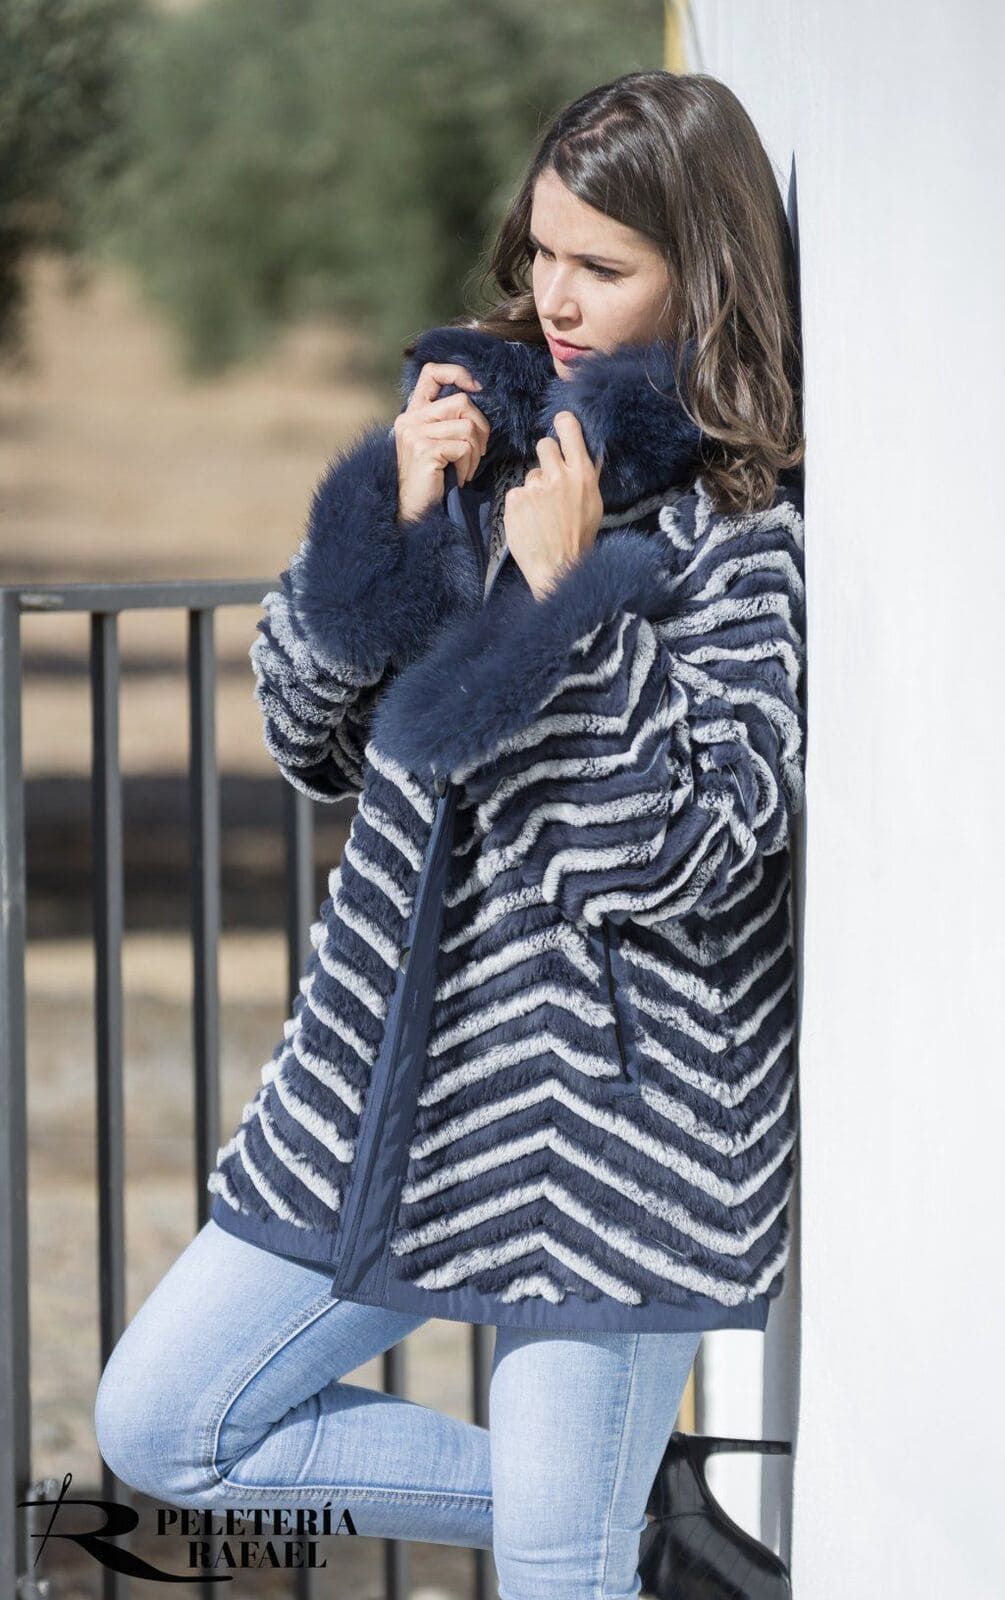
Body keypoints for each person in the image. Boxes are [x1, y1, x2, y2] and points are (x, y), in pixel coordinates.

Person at [94, 69, 806, 1597]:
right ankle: (633, 1527)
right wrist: (390, 529)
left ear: (705, 273)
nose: (550, 296)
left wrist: (566, 613)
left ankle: (596, 1534)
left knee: (557, 1577)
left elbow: (679, 852)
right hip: (381, 1087)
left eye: (601, 268)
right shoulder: (482, 441)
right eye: (540, 250)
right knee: (165, 1426)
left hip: (616, 1132)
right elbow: (309, 739)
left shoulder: (738, 536)